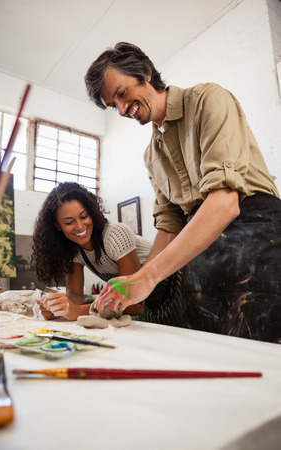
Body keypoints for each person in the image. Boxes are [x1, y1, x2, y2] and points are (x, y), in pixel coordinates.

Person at [84, 42, 281, 343]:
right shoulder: (152, 154)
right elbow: (169, 227)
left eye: (121, 94)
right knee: (207, 354)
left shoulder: (207, 100)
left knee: (263, 358)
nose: (122, 109)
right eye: (113, 105)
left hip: (256, 241)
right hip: (201, 261)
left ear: (145, 73)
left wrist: (147, 277)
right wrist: (132, 283)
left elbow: (226, 203)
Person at [31, 181, 184, 324]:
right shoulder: (74, 251)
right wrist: (59, 308)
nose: (80, 226)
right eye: (69, 222)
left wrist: (77, 311)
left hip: (174, 287)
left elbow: (135, 304)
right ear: (57, 226)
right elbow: (75, 295)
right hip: (148, 300)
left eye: (84, 216)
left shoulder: (115, 235)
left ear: (91, 212)